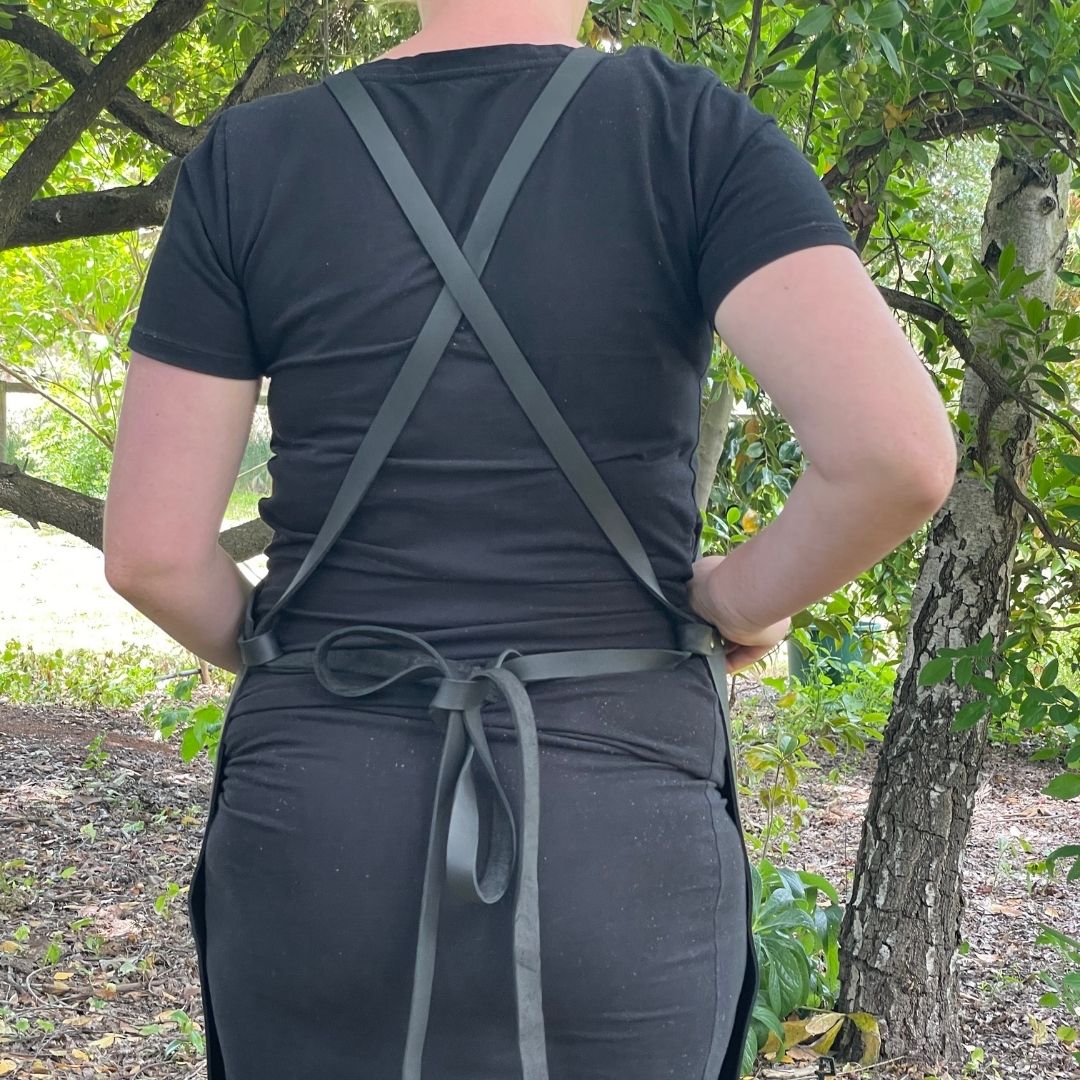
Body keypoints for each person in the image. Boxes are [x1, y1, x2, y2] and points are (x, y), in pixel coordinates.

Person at [102, 1, 958, 1078]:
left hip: (318, 818)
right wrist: (735, 600)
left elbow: (152, 555)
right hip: (613, 828)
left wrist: (314, 666)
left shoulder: (252, 158)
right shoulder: (686, 132)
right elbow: (895, 459)